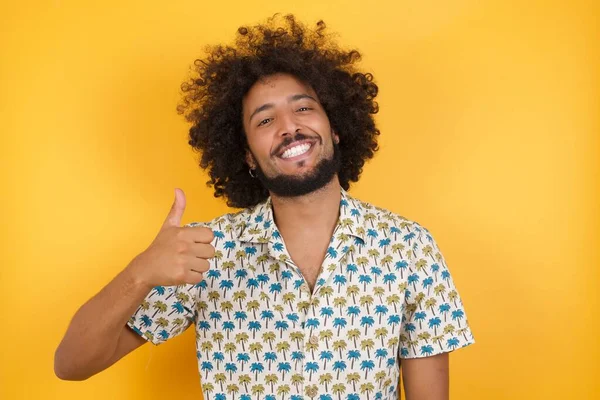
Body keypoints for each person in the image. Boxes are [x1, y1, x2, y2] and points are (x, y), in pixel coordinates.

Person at [55, 14, 475, 399]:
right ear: (247, 156)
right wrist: (141, 271)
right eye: (265, 120)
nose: (290, 127)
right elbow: (71, 365)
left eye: (304, 108)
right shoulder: (203, 253)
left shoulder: (410, 248)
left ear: (337, 127)